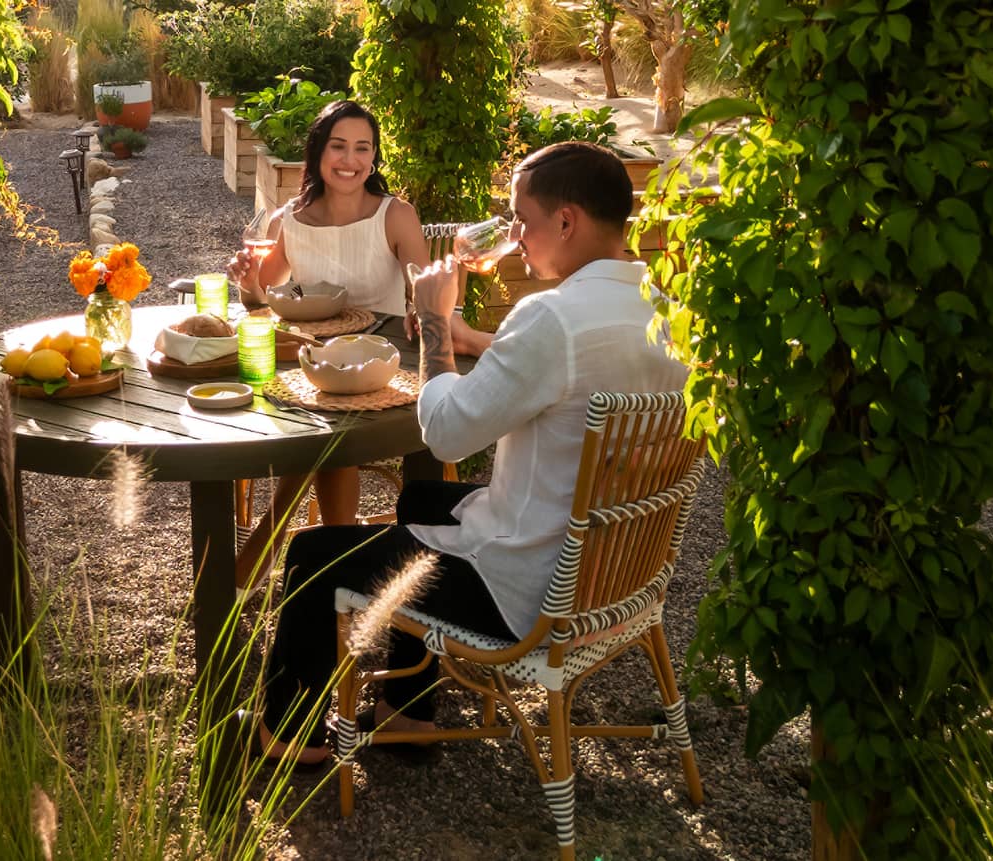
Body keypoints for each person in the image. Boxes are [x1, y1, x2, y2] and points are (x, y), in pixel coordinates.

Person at [253, 141, 689, 767]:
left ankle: (293, 740)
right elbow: (567, 370)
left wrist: (435, 322)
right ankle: (407, 709)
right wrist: (476, 340)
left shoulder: (550, 318)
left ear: (565, 222)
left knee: (313, 552)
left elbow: (448, 434)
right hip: (616, 567)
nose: (515, 234)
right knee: (421, 497)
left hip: (527, 591)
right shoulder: (662, 302)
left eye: (523, 219)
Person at [225, 100, 484, 590]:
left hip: (386, 361)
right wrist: (247, 282)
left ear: (374, 156)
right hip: (315, 360)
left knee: (328, 428)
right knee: (321, 416)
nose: (350, 160)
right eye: (339, 146)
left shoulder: (395, 214)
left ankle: (282, 541)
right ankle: (331, 562)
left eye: (362, 149)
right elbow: (265, 297)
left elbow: (425, 286)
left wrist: (421, 305)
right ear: (319, 152)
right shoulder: (290, 219)